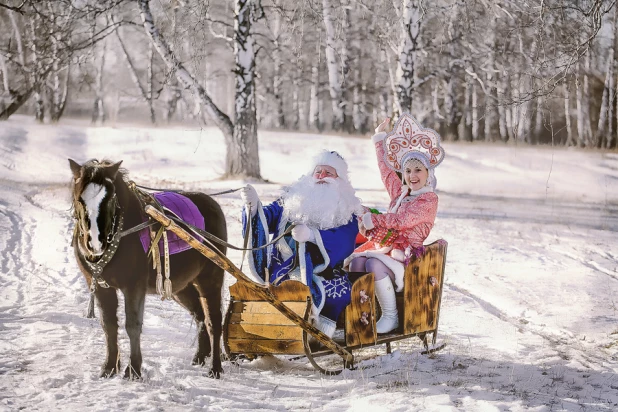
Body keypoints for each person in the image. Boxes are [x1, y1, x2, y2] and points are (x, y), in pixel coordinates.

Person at [240, 150, 363, 338]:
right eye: (318, 171)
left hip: (324, 272)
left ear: (340, 180)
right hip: (282, 268)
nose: (321, 176)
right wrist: (253, 207)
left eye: (329, 173)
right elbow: (266, 219)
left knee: (337, 293)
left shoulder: (347, 209)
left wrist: (313, 236)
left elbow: (345, 241)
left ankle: (316, 332)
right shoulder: (292, 200)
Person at [345, 114, 445, 334]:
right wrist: (379, 138)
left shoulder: (428, 199)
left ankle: (391, 316)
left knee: (373, 265)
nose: (412, 175)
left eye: (418, 170)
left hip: (408, 256)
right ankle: (361, 315)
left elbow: (402, 220)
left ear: (428, 173)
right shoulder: (401, 193)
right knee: (357, 264)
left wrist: (375, 219)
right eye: (408, 171)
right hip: (387, 249)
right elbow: (386, 172)